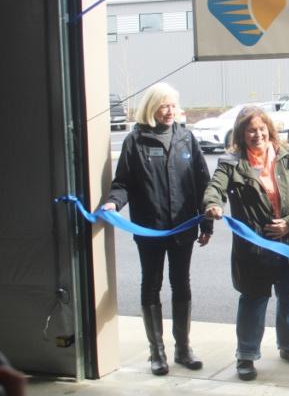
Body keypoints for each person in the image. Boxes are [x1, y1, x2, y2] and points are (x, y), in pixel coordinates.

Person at [203, 106, 289, 381]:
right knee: (253, 299)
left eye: (261, 128)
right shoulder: (231, 162)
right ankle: (246, 355)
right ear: (241, 135)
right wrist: (212, 204)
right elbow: (215, 187)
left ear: (269, 129)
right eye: (250, 130)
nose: (257, 134)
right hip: (254, 246)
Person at [104, 82, 211, 376]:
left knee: (182, 284)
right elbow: (123, 183)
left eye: (173, 106)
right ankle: (157, 352)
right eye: (164, 106)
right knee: (151, 285)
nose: (169, 111)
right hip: (150, 229)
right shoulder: (135, 140)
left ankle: (183, 348)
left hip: (183, 229)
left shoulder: (186, 138)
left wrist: (207, 221)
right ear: (151, 108)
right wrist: (114, 203)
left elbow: (204, 183)